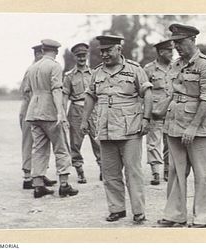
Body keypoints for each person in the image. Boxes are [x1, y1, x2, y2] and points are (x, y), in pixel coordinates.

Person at [157, 24, 206, 228]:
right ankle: (175, 215)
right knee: (176, 171)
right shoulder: (176, 65)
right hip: (175, 124)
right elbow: (172, 94)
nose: (177, 46)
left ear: (193, 40)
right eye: (175, 42)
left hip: (201, 127)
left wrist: (193, 127)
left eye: (181, 41)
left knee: (203, 173)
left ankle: (203, 217)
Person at [81, 35, 153, 223]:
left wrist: (146, 118)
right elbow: (90, 96)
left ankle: (138, 211)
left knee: (133, 172)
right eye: (102, 51)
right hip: (105, 128)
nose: (104, 54)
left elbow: (148, 94)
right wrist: (84, 120)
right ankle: (117, 209)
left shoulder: (134, 69)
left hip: (130, 129)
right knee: (110, 172)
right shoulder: (97, 72)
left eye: (108, 50)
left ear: (119, 50)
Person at [25, 39, 78, 199]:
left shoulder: (32, 67)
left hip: (33, 112)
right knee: (61, 148)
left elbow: (27, 91)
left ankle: (38, 186)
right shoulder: (54, 66)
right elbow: (56, 90)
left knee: (39, 149)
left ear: (42, 50)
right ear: (55, 51)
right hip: (50, 113)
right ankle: (64, 185)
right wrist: (60, 112)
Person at [19, 44, 57, 190]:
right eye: (42, 54)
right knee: (30, 142)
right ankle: (28, 177)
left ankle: (39, 174)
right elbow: (26, 92)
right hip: (30, 108)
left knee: (41, 143)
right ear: (37, 54)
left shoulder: (39, 69)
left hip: (36, 109)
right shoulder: (32, 69)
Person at [63, 43, 102, 184]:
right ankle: (79, 171)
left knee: (98, 140)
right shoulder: (69, 76)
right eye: (79, 56)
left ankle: (103, 169)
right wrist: (63, 114)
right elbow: (65, 95)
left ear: (87, 56)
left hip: (93, 110)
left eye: (84, 55)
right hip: (76, 110)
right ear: (75, 57)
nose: (81, 58)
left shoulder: (95, 73)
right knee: (75, 143)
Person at [143, 39, 173, 185]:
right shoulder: (149, 69)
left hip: (172, 111)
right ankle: (155, 172)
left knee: (171, 142)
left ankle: (168, 169)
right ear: (161, 52)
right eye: (170, 51)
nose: (172, 54)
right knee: (153, 143)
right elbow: (143, 92)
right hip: (155, 112)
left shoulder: (176, 67)